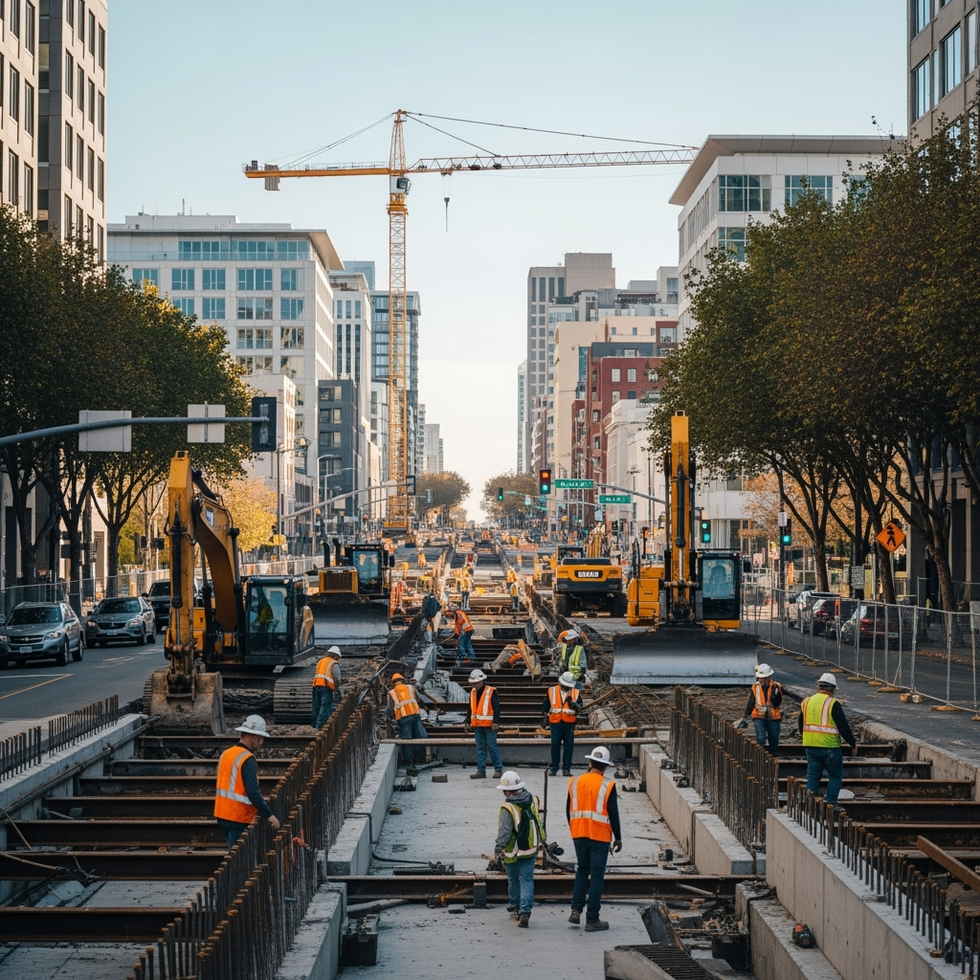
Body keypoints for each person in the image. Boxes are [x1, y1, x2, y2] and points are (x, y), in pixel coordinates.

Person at [566, 746, 622, 932]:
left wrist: (574, 828)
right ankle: (592, 920)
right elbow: (613, 814)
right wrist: (618, 838)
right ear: (605, 767)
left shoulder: (575, 782)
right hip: (599, 836)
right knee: (596, 876)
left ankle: (575, 910)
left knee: (582, 870)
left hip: (578, 833)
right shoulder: (608, 785)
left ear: (589, 763)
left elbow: (569, 809)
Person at [214, 715, 281, 850]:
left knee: (234, 856)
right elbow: (252, 792)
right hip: (238, 816)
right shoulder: (247, 758)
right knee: (238, 860)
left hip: (222, 814)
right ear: (251, 735)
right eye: (259, 738)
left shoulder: (226, 754)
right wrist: (269, 815)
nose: (261, 742)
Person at [493, 771, 544, 928]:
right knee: (527, 879)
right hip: (530, 847)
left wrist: (497, 850)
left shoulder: (507, 808)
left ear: (507, 791)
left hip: (512, 850)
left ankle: (515, 908)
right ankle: (525, 912)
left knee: (513, 879)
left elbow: (505, 833)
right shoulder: (533, 799)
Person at [798, 672, 857, 806]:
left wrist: (808, 738)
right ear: (832, 689)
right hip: (829, 747)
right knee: (835, 776)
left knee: (813, 776)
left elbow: (801, 724)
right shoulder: (832, 703)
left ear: (819, 687)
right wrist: (852, 744)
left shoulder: (806, 702)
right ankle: (830, 804)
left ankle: (809, 805)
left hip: (810, 746)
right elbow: (843, 726)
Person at [466, 668, 503, 779]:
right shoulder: (473, 692)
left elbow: (496, 708)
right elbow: (470, 708)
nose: (474, 685)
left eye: (476, 683)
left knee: (492, 746)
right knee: (480, 748)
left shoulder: (491, 691)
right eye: (473, 683)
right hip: (477, 725)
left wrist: (496, 722)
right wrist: (467, 722)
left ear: (482, 681)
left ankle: (498, 769)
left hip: (489, 726)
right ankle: (481, 770)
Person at [543, 671, 581, 776]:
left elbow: (579, 707)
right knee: (555, 744)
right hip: (555, 722)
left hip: (569, 723)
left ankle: (566, 768)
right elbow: (546, 704)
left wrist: (574, 704)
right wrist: (544, 717)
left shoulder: (575, 693)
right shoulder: (552, 691)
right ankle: (554, 767)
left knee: (568, 746)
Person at [388, 672, 428, 766]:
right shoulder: (410, 687)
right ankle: (421, 758)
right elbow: (418, 699)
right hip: (415, 714)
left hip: (403, 717)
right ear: (402, 680)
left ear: (393, 683)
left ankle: (409, 761)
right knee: (420, 736)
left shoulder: (392, 692)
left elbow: (390, 709)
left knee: (407, 739)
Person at [742, 663, 783, 754]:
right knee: (760, 738)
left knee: (774, 738)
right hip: (759, 716)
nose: (761, 680)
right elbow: (752, 701)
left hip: (773, 717)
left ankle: (773, 755)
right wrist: (746, 714)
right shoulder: (755, 686)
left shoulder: (776, 686)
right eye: (760, 678)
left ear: (768, 677)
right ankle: (761, 756)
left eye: (763, 678)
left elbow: (777, 703)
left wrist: (775, 694)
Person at [311, 645, 342, 729]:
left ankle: (314, 725)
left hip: (316, 685)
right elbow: (337, 678)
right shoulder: (334, 663)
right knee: (325, 707)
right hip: (326, 687)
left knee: (316, 706)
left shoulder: (321, 661)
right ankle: (320, 726)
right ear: (336, 656)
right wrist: (338, 688)